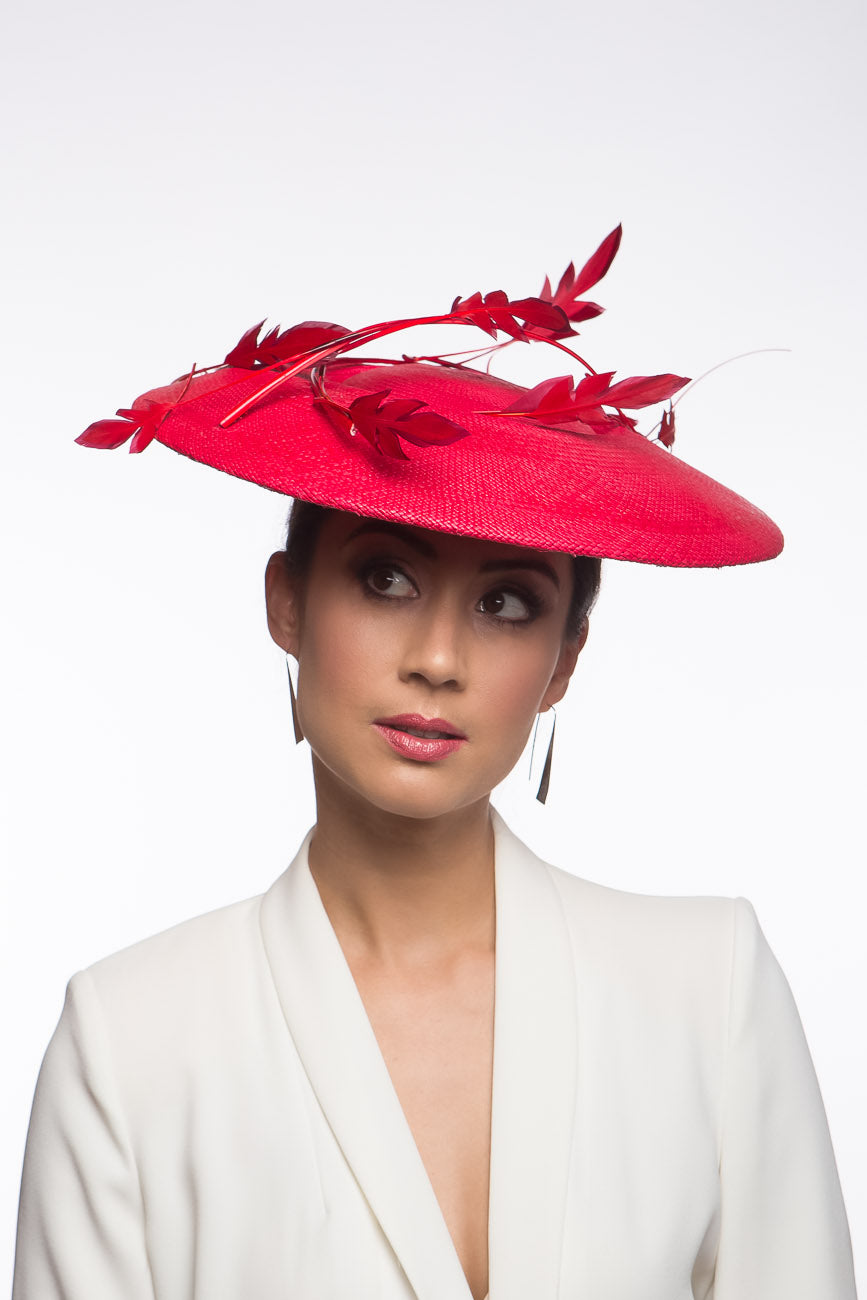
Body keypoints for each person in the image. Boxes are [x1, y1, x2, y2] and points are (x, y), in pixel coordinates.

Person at [12, 231, 857, 1300]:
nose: (440, 659)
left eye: (509, 604)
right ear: (286, 601)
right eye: (385, 578)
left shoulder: (707, 992)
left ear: (563, 662)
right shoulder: (132, 1043)